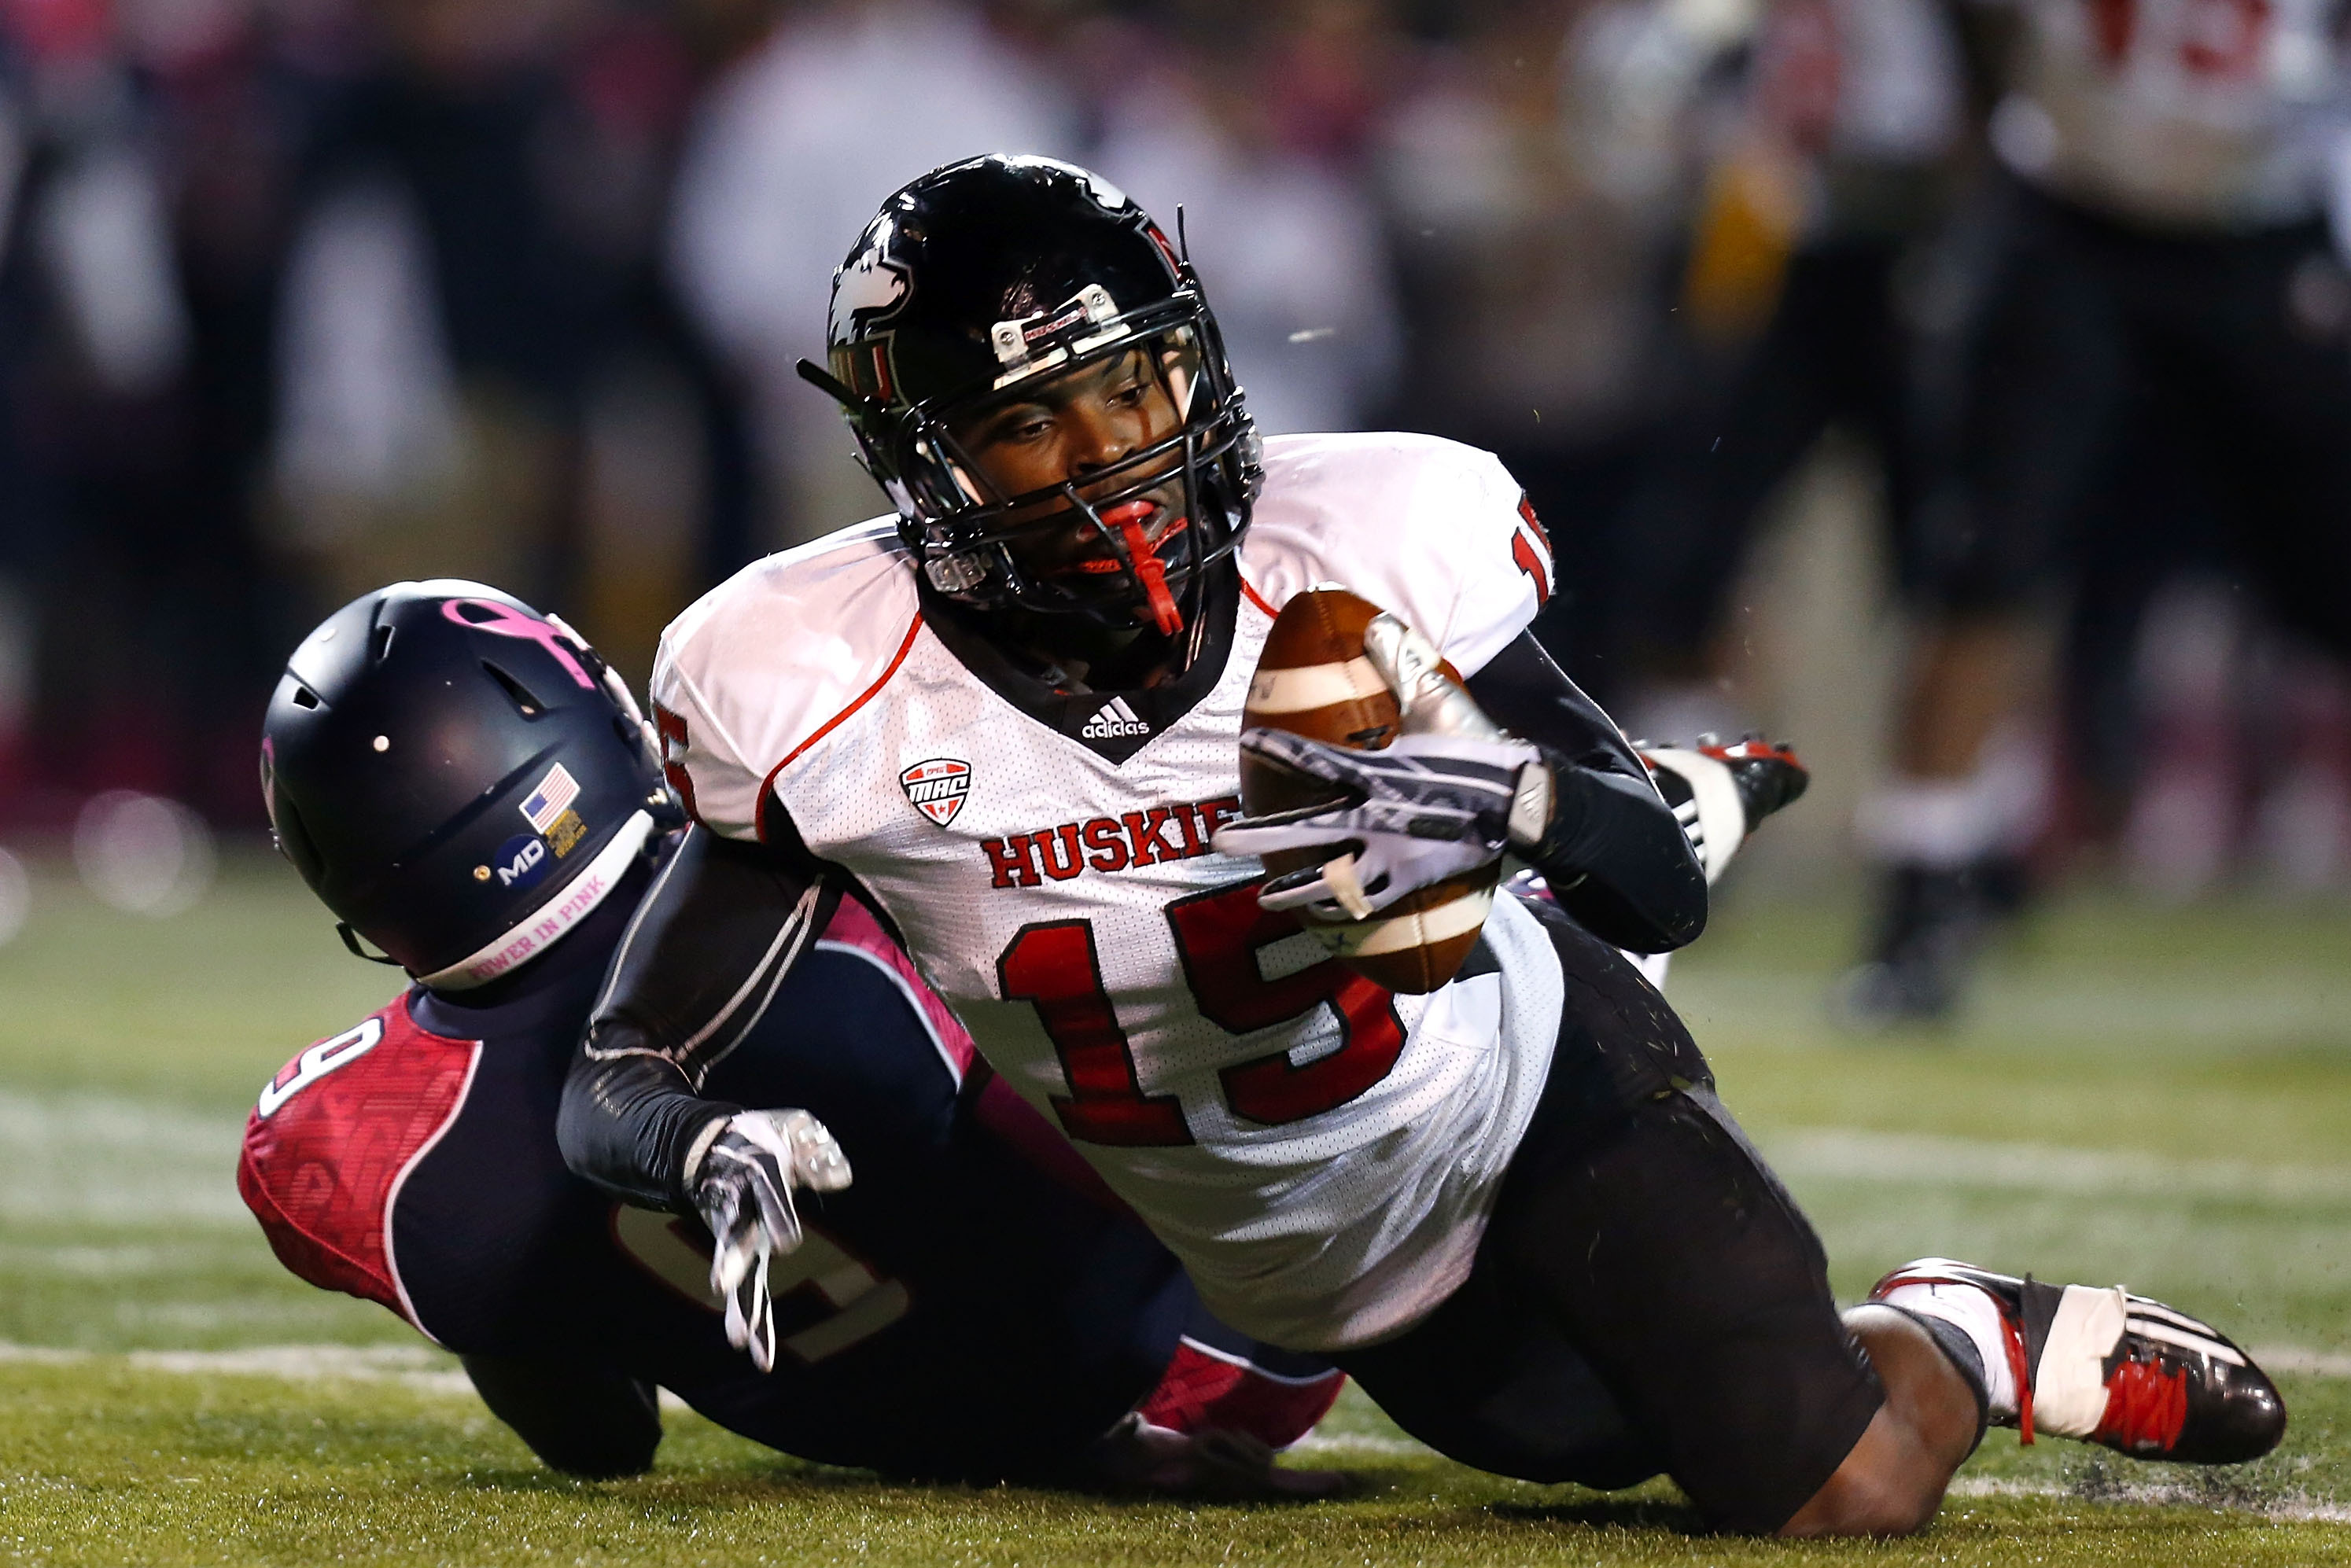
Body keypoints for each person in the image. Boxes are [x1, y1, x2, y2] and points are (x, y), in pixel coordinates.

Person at [557, 156, 2284, 1535]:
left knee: (1829, 1490)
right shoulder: (803, 681)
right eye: (1030, 423)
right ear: (923, 461)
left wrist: (1509, 805)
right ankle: (1894, 1319)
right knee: (1607, 1461)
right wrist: (693, 1146)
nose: (1114, 459)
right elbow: (617, 1065)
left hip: (1524, 1069)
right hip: (1315, 1245)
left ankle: (1966, 1338)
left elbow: (1643, 884)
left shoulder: (1370, 532)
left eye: (1134, 384)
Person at [244, 578, 1344, 1490]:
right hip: (1207, 1348)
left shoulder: (367, 1140)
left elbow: (599, 1441)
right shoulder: (821, 882)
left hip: (883, 1435)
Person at [1840, 0, 2351, 1021]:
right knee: (1982, 560)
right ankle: (1923, 895)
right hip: (2065, 214)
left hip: (2260, 222)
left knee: (2330, 578)